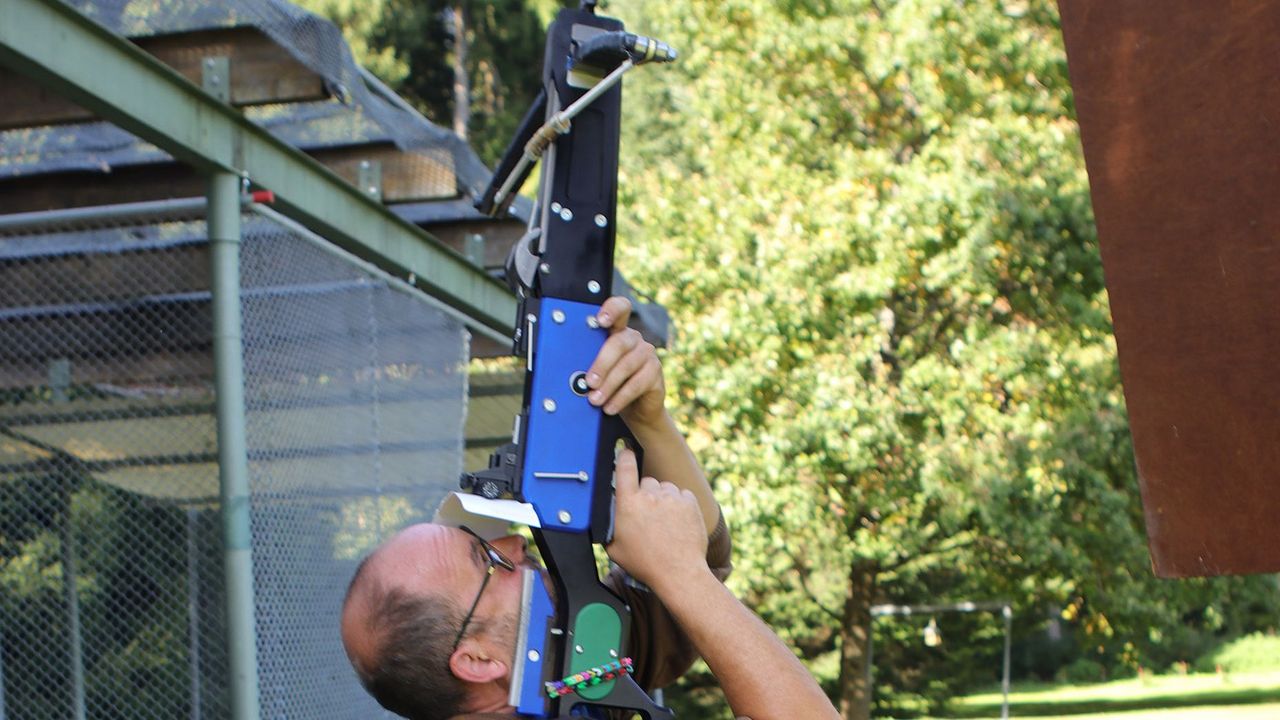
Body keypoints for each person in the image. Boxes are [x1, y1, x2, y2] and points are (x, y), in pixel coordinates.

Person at [341, 296, 730, 720]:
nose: (512, 543)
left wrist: (645, 417)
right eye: (486, 559)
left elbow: (692, 575)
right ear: (477, 661)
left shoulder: (564, 683)